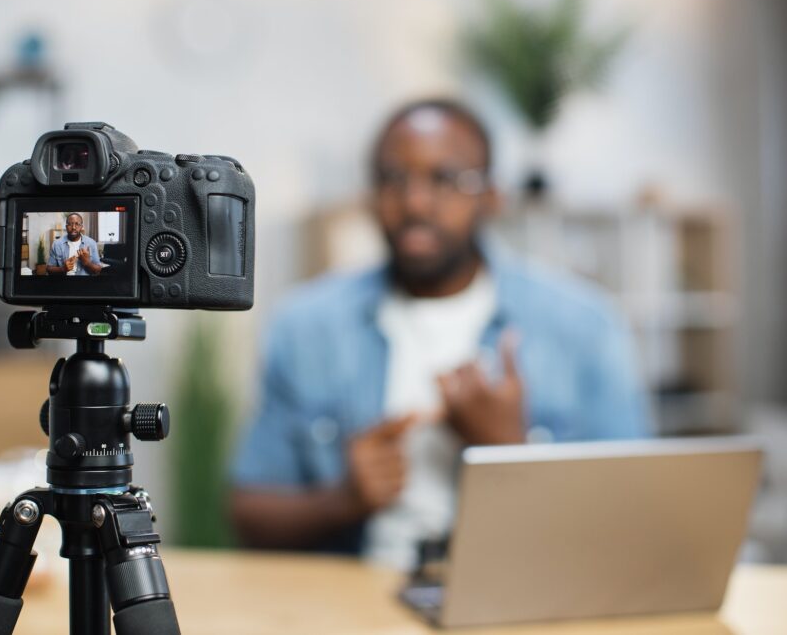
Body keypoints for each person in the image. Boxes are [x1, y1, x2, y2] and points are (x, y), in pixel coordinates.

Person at [229, 99, 651, 568]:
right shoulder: (305, 326)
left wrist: (509, 456)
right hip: (358, 602)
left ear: (492, 196)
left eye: (446, 178)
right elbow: (248, 514)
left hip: (521, 599)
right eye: (392, 179)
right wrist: (342, 500)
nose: (414, 202)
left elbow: (632, 527)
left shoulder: (585, 327)